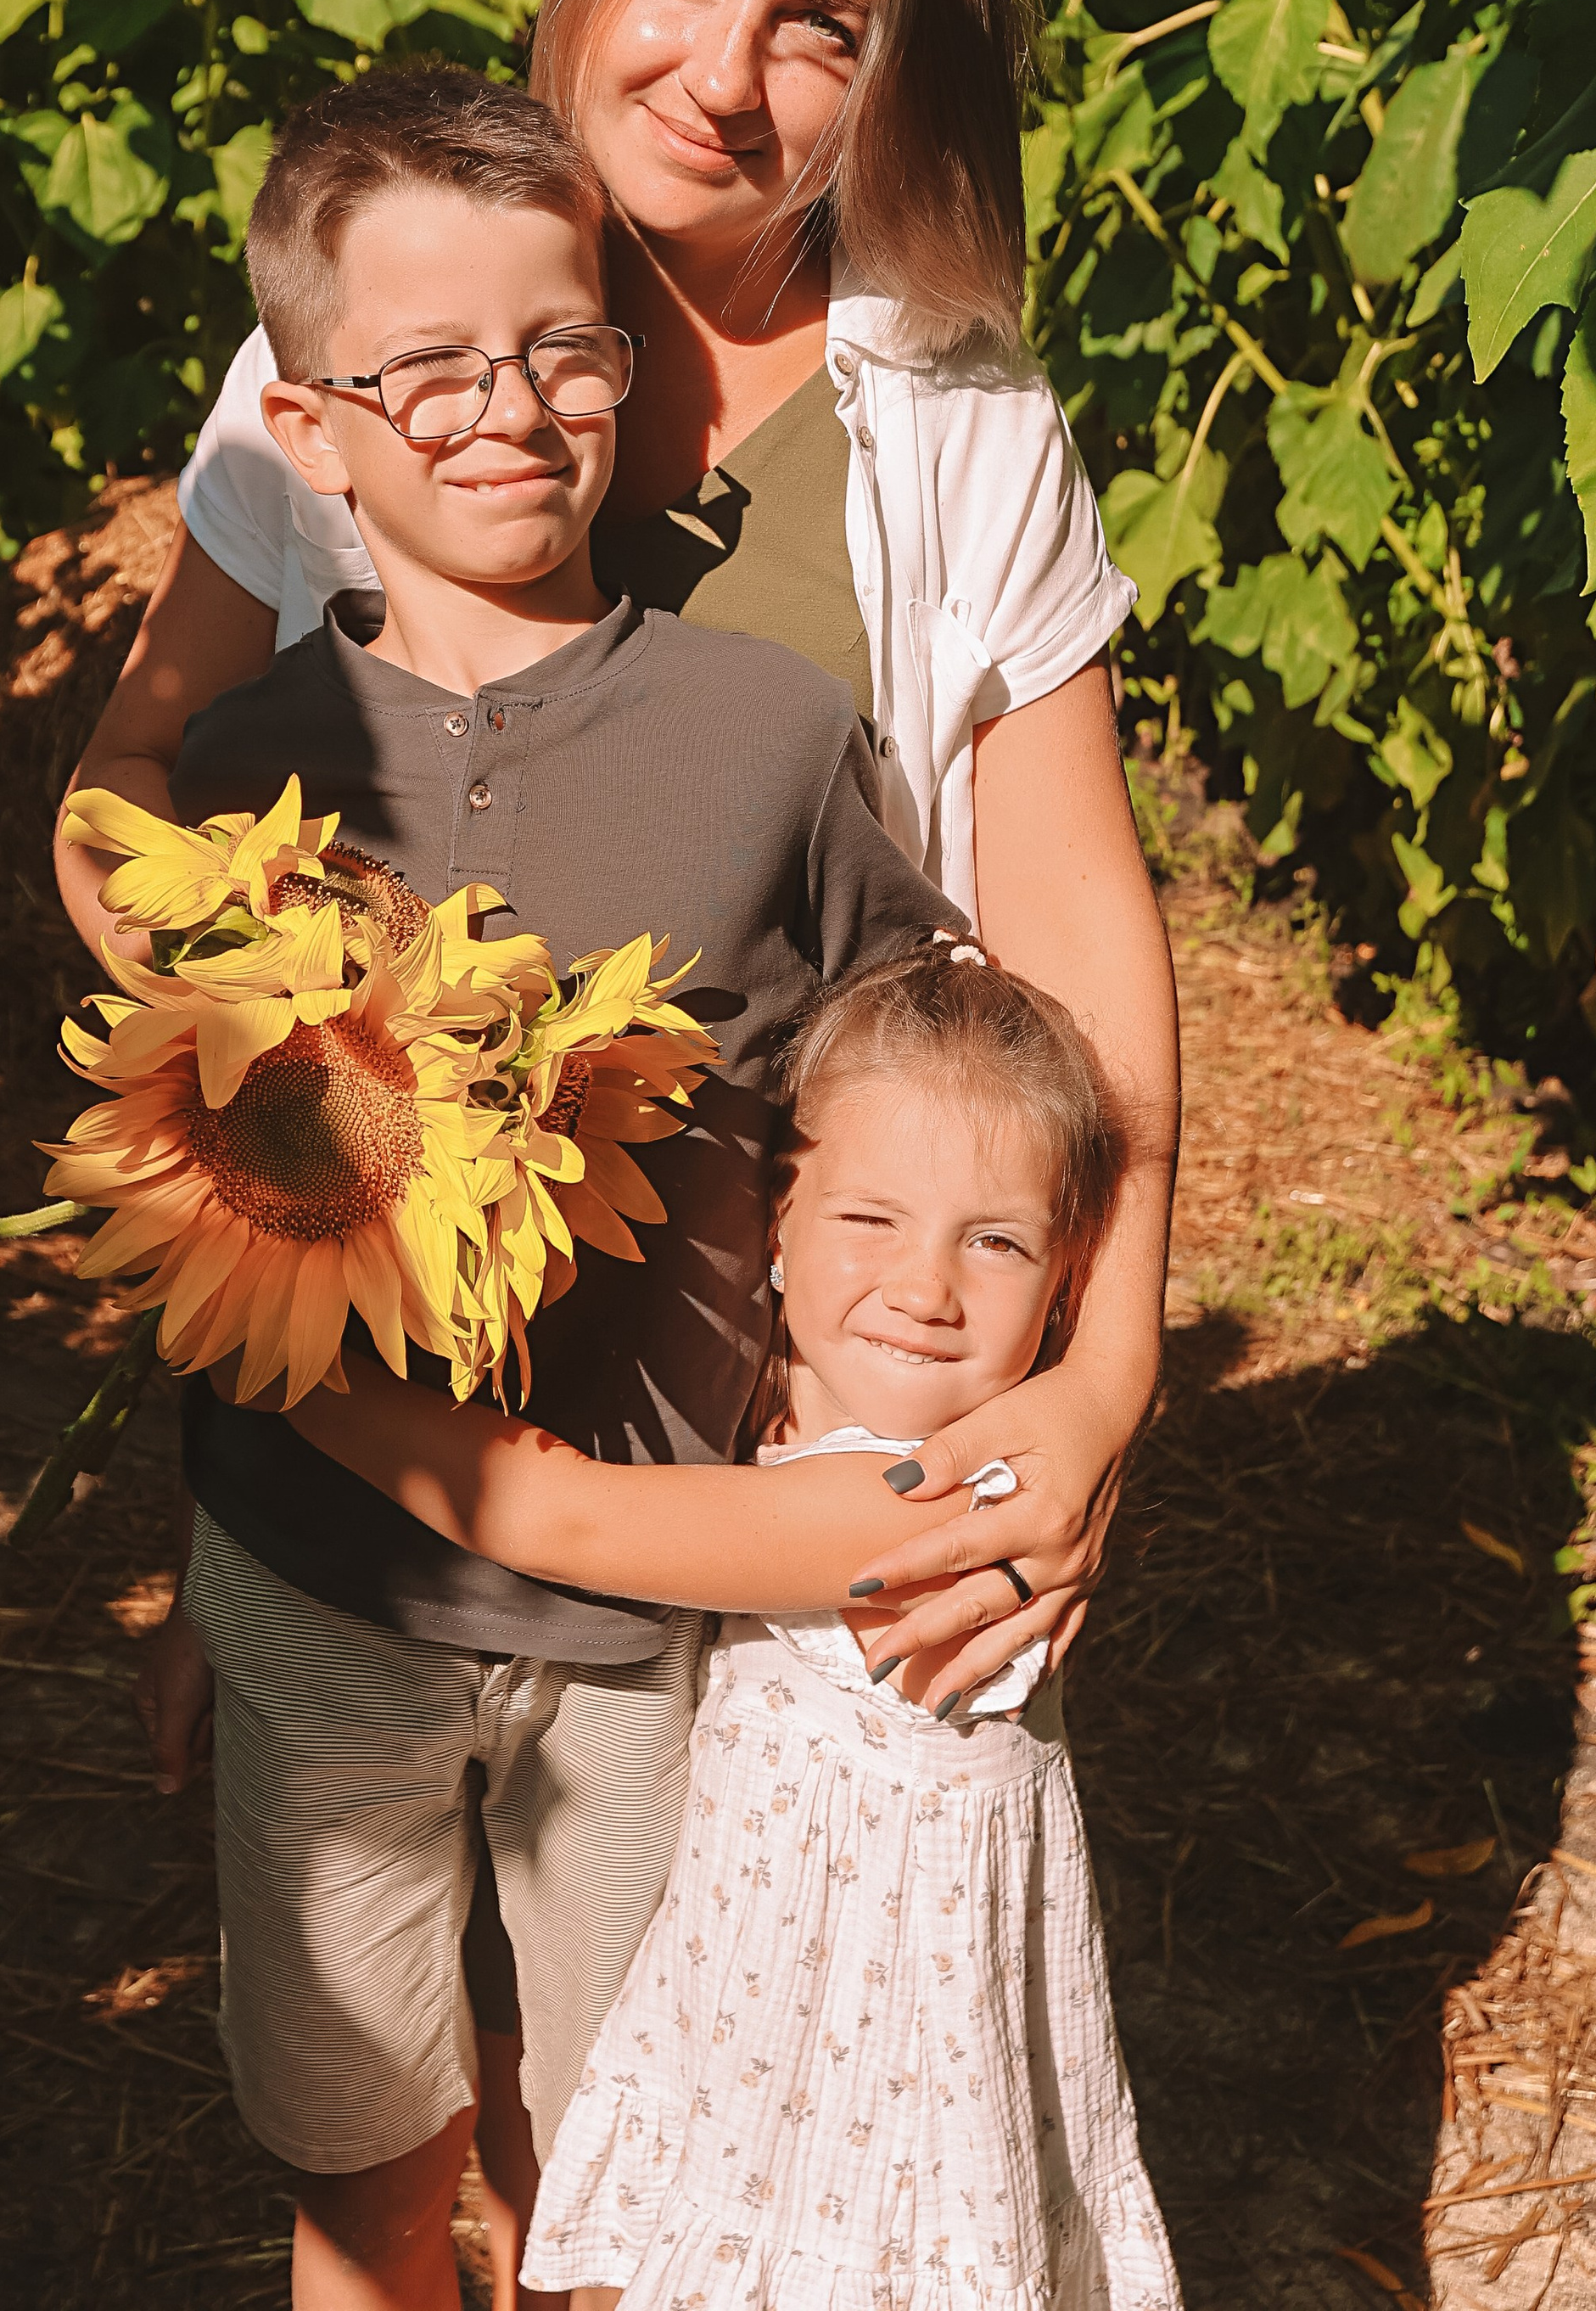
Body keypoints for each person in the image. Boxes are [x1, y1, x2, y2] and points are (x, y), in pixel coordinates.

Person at [66, 0, 1179, 1734]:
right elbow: (138, 777)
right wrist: (292, 1098)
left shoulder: (954, 417)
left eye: (820, 27)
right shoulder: (364, 329)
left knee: (694, 2017)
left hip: (751, 1425)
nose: (723, 79)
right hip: (369, 1412)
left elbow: (1074, 945)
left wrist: (1097, 1383)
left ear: (893, 76)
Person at [155, 64, 994, 2311]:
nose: (505, 407)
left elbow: (896, 1074)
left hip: (657, 1615)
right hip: (324, 1590)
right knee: (365, 2157)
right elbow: (195, 1213)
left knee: (634, 2159)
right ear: (310, 436)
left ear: (624, 368)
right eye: (420, 367)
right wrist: (193, 1571)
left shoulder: (760, 737)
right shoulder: (245, 790)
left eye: (559, 346)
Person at [287, 937, 1183, 2311]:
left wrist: (297, 1381)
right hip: (788, 2003)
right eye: (870, 1222)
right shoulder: (802, 1412)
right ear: (780, 1228)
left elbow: (565, 1517)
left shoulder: (923, 1504)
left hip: (865, 2046)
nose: (926, 1288)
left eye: (992, 1242)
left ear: (1066, 1285)